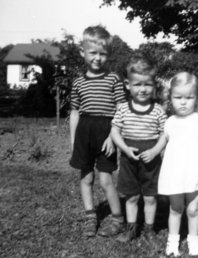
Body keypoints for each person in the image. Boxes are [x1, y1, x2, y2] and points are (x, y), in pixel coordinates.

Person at [69, 25, 126, 238]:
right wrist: (74, 140)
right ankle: (90, 217)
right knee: (86, 178)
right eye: (93, 52)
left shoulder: (113, 79)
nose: (98, 58)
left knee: (105, 180)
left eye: (103, 53)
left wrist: (114, 136)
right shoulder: (78, 82)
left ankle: (118, 218)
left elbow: (121, 110)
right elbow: (75, 113)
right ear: (83, 52)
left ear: (108, 55)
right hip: (84, 132)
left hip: (106, 133)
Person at [110, 54, 167, 244]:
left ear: (154, 85)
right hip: (129, 160)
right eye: (137, 84)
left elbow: (164, 134)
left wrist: (155, 150)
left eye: (147, 84)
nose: (142, 89)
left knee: (150, 198)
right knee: (132, 197)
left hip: (151, 161)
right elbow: (115, 132)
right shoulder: (123, 109)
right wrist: (125, 149)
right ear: (128, 84)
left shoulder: (158, 110)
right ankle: (131, 229)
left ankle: (149, 229)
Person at [158, 72, 198, 257]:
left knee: (193, 208)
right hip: (174, 173)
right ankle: (172, 242)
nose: (183, 102)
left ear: (197, 98)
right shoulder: (169, 123)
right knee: (175, 208)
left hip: (194, 173)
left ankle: (193, 240)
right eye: (178, 97)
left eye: (189, 97)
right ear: (170, 98)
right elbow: (163, 144)